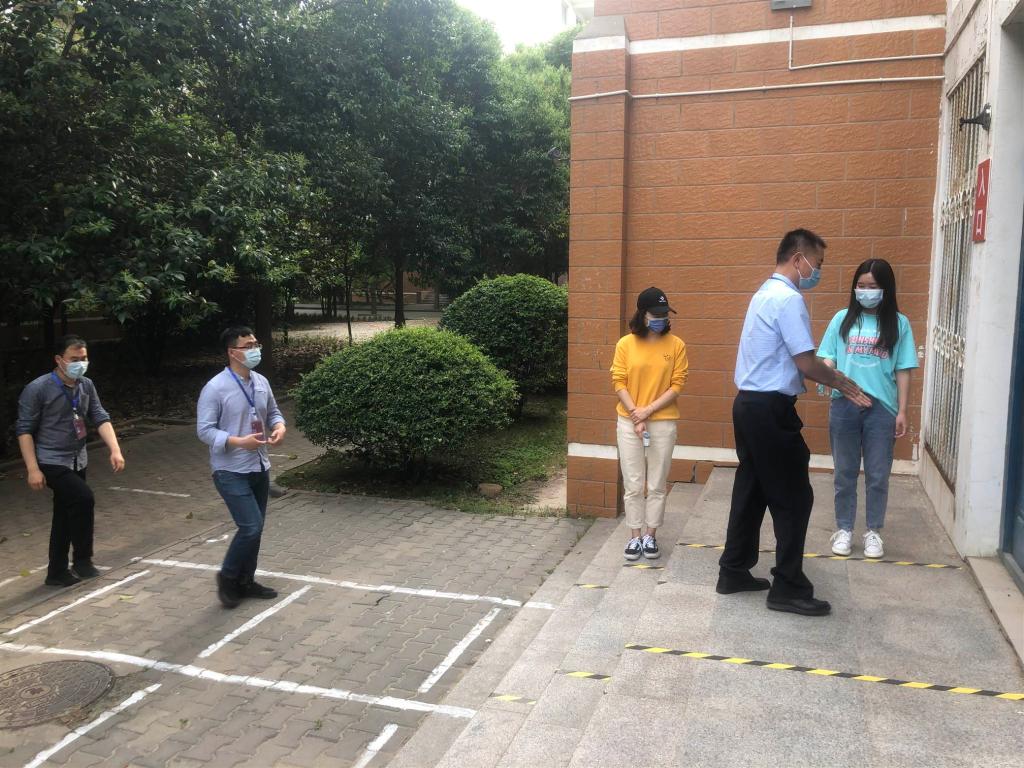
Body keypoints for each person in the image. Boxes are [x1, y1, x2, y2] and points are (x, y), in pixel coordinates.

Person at [718, 230, 870, 617]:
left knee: (752, 490)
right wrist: (841, 382)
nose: (817, 271)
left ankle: (733, 571)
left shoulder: (763, 293)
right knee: (794, 497)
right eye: (817, 264)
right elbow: (805, 361)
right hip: (770, 409)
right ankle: (787, 587)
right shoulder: (788, 299)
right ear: (798, 258)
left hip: (749, 405)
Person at [818, 259, 918, 560]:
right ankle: (844, 529)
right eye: (860, 286)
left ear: (885, 289)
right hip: (845, 404)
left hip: (881, 409)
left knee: (878, 474)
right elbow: (828, 356)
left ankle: (873, 531)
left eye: (872, 286)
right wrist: (827, 372)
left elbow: (903, 369)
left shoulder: (899, 324)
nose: (865, 291)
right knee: (844, 472)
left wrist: (902, 411)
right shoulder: (842, 319)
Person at [16, 335, 126, 587]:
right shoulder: (38, 388)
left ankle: (56, 571)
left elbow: (99, 416)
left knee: (65, 512)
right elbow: (24, 430)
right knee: (83, 498)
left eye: (84, 358)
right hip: (51, 459)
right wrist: (33, 469)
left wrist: (115, 449)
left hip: (78, 458)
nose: (80, 363)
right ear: (59, 360)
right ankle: (82, 560)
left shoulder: (86, 385)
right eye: (74, 359)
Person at [197, 326, 286, 608]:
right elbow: (204, 430)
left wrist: (280, 427)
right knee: (250, 526)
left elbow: (273, 412)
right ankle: (227, 577)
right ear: (232, 352)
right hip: (230, 470)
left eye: (256, 344)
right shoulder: (215, 388)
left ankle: (246, 581)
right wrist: (238, 441)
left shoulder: (261, 382)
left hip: (259, 466)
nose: (255, 349)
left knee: (256, 529)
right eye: (248, 346)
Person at [611, 287, 688, 561]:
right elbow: (618, 381)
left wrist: (647, 412)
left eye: (665, 314)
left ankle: (650, 535)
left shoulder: (676, 345)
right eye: (656, 315)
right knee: (633, 483)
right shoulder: (625, 344)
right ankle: (634, 535)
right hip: (628, 421)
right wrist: (635, 413)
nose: (661, 319)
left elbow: (677, 385)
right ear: (642, 314)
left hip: (662, 422)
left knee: (656, 483)